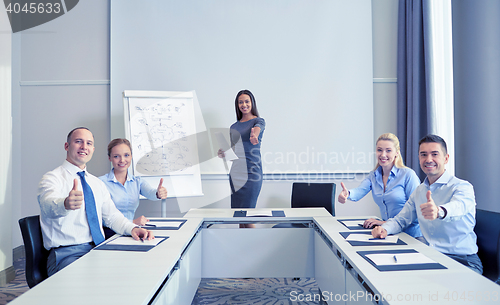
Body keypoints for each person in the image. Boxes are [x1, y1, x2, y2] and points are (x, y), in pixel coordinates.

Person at [38, 127, 154, 276]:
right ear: (67, 146)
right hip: (67, 254)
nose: (84, 147)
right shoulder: (51, 178)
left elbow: (112, 217)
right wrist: (65, 204)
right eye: (78, 141)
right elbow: (48, 205)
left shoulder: (96, 183)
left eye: (88, 143)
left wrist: (132, 228)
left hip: (99, 249)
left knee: (133, 271)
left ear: (93, 149)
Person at [371, 134, 483, 274]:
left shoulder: (462, 187)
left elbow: (458, 206)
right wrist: (385, 229)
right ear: (419, 158)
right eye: (423, 155)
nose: (428, 159)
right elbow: (401, 219)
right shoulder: (419, 191)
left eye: (434, 154)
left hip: (462, 260)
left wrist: (439, 211)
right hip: (430, 255)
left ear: (446, 158)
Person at [338, 133, 421, 238]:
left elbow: (416, 212)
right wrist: (347, 194)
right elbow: (359, 191)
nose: (383, 154)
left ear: (397, 152)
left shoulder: (408, 175)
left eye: (388, 150)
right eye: (379, 150)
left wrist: (384, 223)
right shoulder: (374, 175)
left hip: (411, 236)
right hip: (388, 234)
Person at [99, 138, 168, 238]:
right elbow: (101, 217)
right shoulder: (100, 183)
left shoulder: (137, 181)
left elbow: (150, 192)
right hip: (109, 234)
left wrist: (158, 193)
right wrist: (132, 222)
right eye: (116, 156)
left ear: (131, 156)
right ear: (109, 158)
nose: (122, 160)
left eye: (126, 155)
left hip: (131, 232)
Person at [218, 90, 265, 209]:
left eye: (247, 101)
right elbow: (233, 153)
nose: (244, 105)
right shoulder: (234, 127)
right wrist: (224, 153)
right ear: (237, 105)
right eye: (240, 102)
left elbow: (258, 129)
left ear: (252, 103)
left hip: (252, 173)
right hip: (236, 173)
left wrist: (255, 136)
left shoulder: (258, 121)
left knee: (248, 216)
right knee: (239, 216)